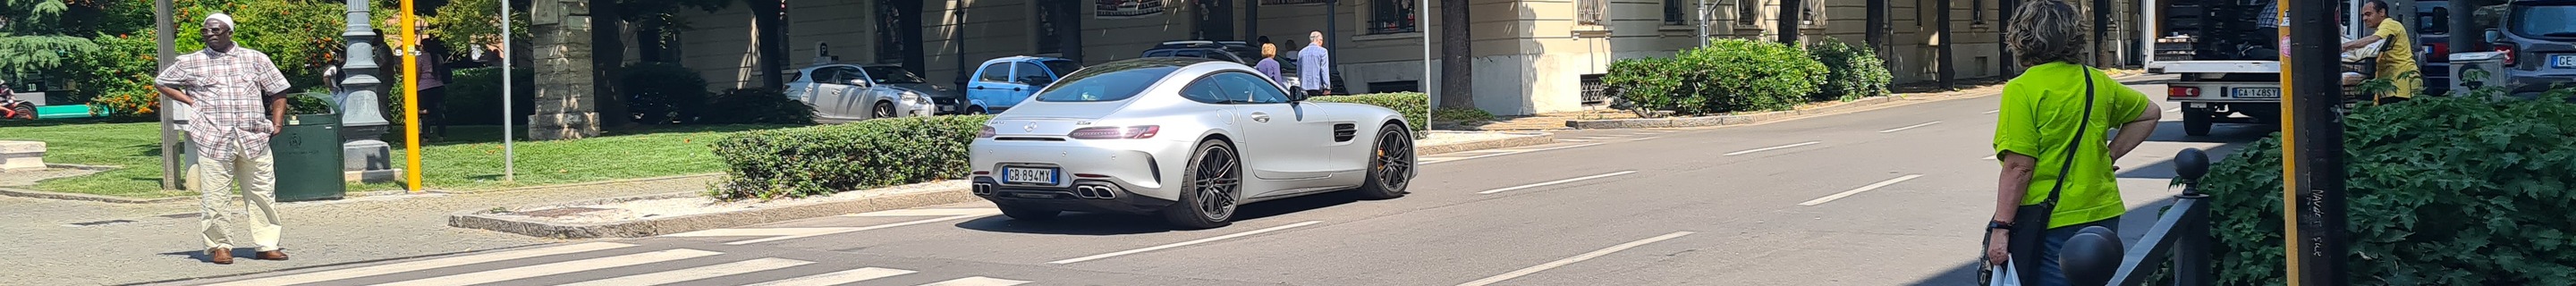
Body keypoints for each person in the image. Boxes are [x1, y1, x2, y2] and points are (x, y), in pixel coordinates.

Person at [1983, 1, 2162, 285]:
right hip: (2102, 211)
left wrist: (2001, 227)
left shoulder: (2022, 89)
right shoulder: (2096, 81)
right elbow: (2149, 113)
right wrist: (2108, 155)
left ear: (2021, 36)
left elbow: (2019, 167)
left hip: (2049, 220)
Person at [155, 13, 295, 265]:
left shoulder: (255, 59)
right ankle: (220, 246)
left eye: (216, 30)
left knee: (262, 192)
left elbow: (278, 90)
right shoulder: (192, 62)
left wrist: (277, 121)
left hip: (254, 136)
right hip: (212, 136)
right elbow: (162, 81)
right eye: (206, 31)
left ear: (229, 32)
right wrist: (191, 101)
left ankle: (267, 244)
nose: (210, 34)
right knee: (215, 196)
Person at [2342, 0, 2419, 103]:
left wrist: (2345, 46)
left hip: (2402, 82)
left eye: (2368, 14)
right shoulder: (2385, 28)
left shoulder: (2390, 24)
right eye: (2363, 15)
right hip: (2391, 82)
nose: (2364, 19)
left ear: (2382, 12)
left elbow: (2373, 39)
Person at [1297, 31, 1332, 97]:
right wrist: (1327, 87)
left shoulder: (1301, 52)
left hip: (1304, 86)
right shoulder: (1323, 51)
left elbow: (1299, 71)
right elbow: (1324, 70)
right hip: (1318, 86)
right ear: (1319, 40)